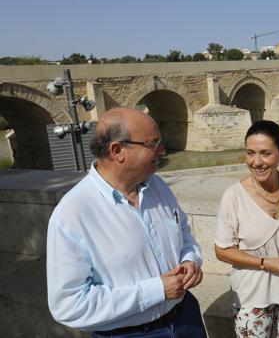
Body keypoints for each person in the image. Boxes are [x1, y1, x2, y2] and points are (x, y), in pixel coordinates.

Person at [46, 108, 207, 337]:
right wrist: (156, 290)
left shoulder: (157, 186)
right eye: (152, 144)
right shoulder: (73, 214)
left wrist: (190, 260)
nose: (162, 150)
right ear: (118, 150)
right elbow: (70, 305)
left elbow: (183, 232)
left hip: (185, 318)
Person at [214, 120, 279, 338]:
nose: (256, 162)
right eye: (250, 153)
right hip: (252, 296)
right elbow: (222, 251)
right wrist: (265, 264)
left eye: (265, 153)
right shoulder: (233, 196)